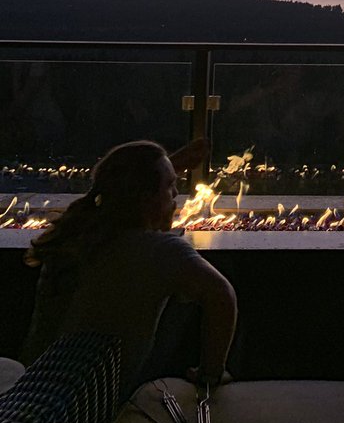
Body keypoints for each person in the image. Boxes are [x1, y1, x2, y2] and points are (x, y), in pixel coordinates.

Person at [22, 139, 237, 398]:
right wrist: (211, 373)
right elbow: (222, 296)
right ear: (146, 198)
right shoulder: (162, 252)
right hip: (99, 398)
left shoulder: (76, 234)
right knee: (188, 299)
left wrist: (170, 164)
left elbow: (123, 186)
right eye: (170, 186)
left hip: (33, 384)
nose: (176, 195)